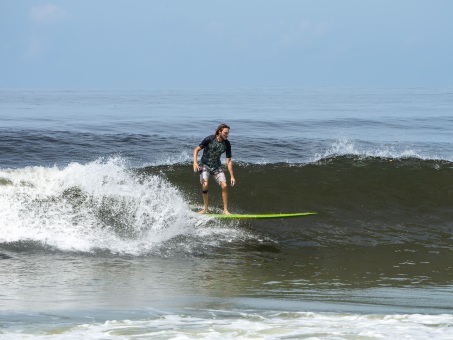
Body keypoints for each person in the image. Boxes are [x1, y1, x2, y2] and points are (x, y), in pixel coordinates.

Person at [193, 123, 236, 214]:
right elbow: (196, 150)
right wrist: (195, 162)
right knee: (205, 184)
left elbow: (228, 161)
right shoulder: (209, 139)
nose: (227, 135)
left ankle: (225, 210)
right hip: (204, 165)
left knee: (224, 186)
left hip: (216, 166)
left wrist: (232, 176)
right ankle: (205, 208)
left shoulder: (227, 144)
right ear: (219, 132)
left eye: (228, 133)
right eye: (225, 133)